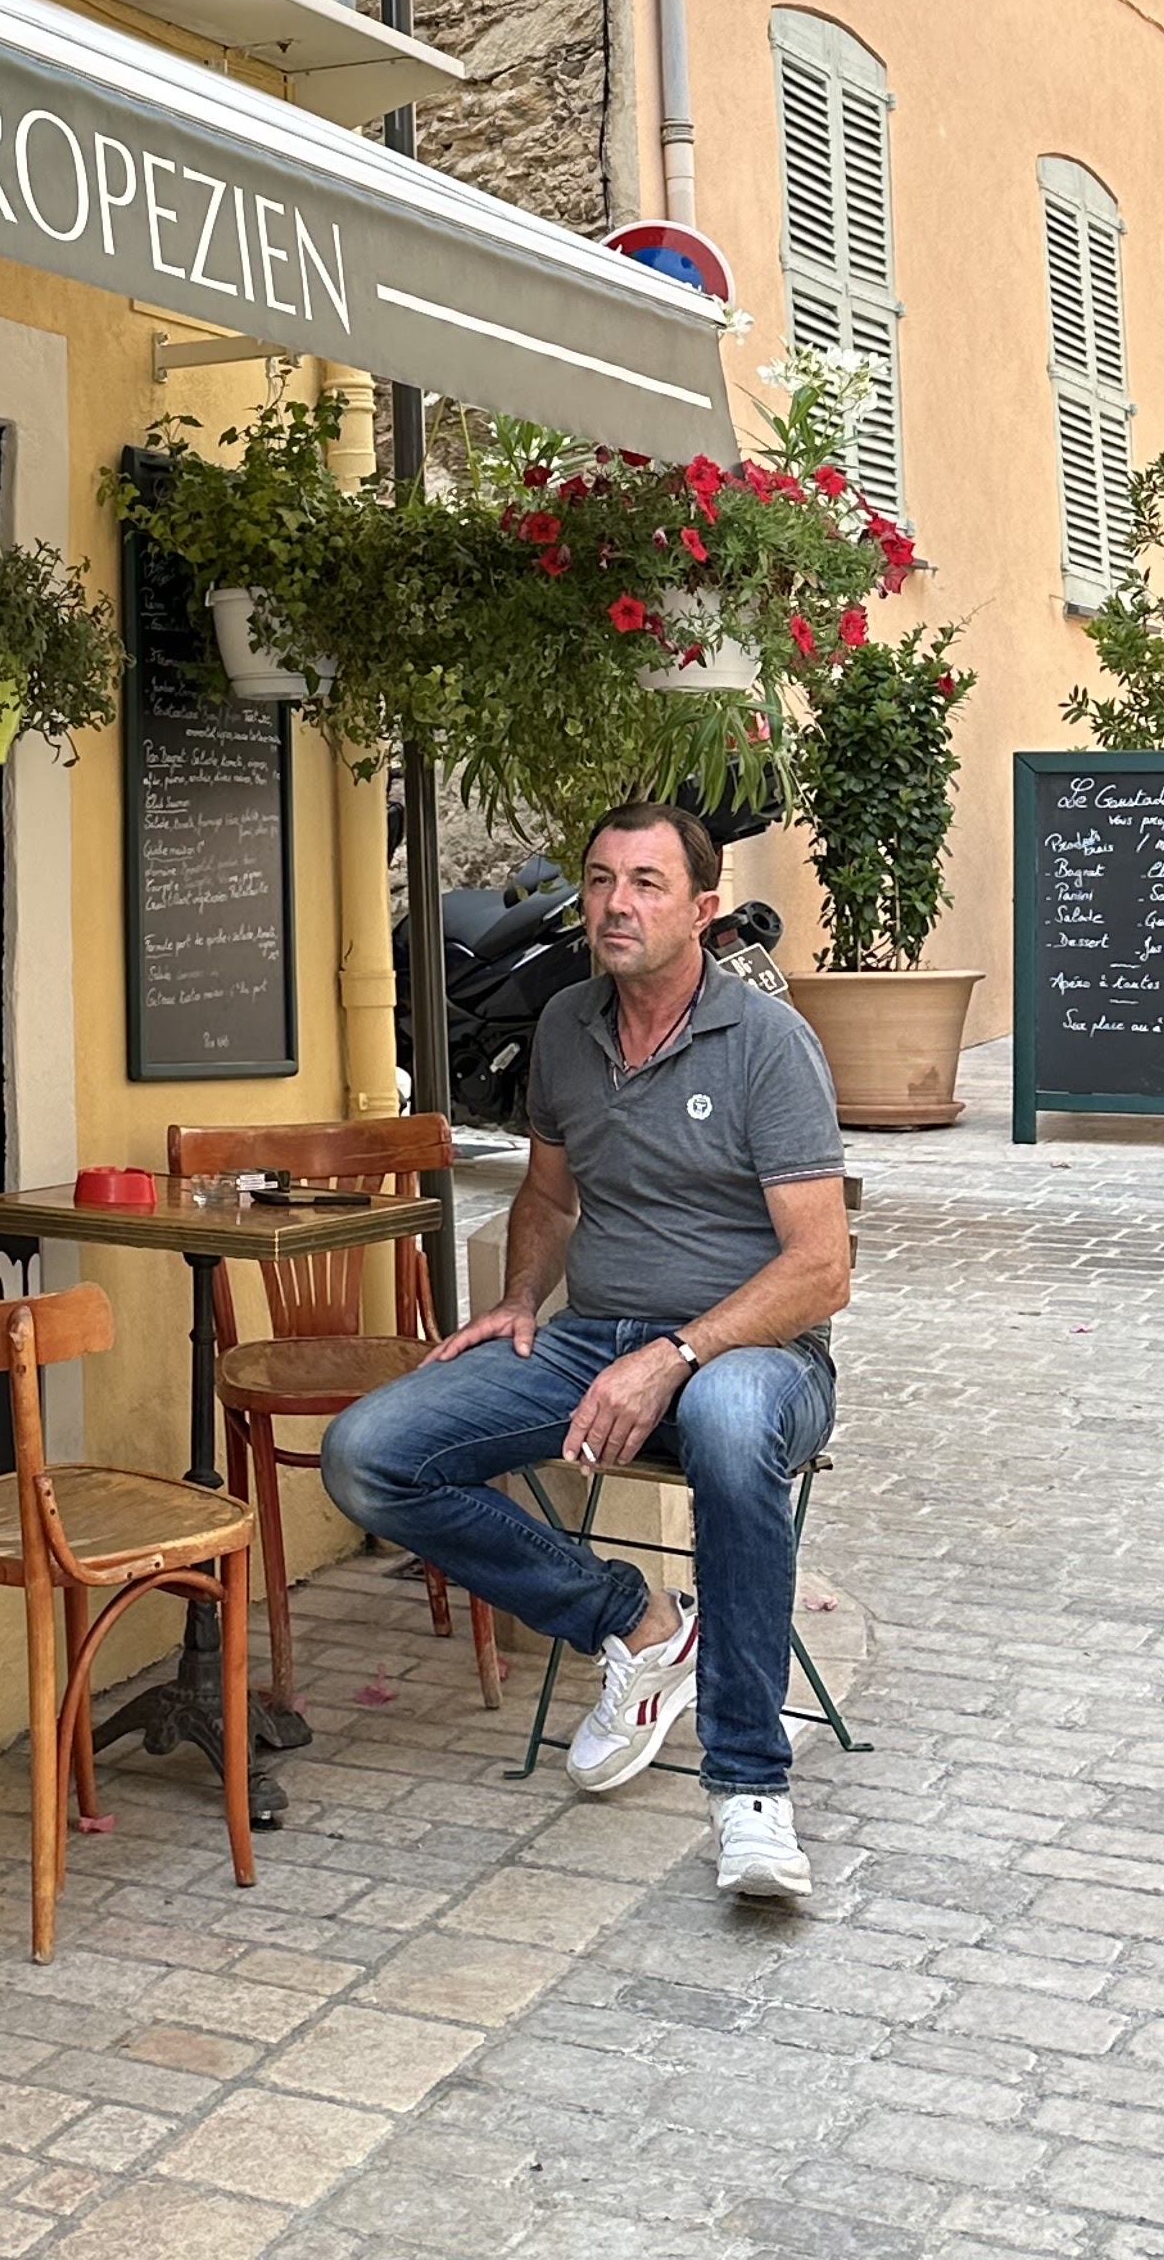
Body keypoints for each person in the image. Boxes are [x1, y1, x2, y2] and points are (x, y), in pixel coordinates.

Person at [322, 800, 851, 1904]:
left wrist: (676, 1355)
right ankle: (637, 1624)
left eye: (648, 883)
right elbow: (550, 1196)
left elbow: (820, 1270)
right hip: (590, 1338)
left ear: (702, 910)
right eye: (603, 879)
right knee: (369, 1453)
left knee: (729, 1420)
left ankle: (750, 1788)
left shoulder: (767, 1043)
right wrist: (519, 1298)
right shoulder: (567, 1024)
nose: (618, 904)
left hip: (758, 1353)